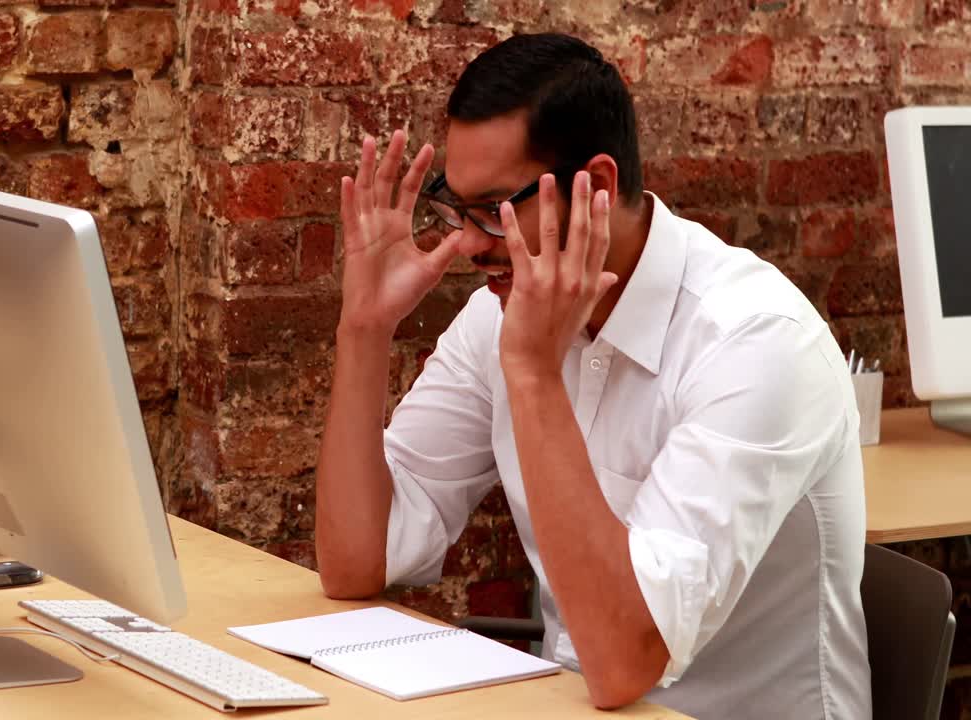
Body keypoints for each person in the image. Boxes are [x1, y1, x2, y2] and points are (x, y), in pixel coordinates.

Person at [313, 32, 870, 719]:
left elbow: (620, 662)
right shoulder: (502, 313)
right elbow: (354, 563)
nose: (470, 245)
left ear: (598, 187)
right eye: (455, 210)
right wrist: (363, 331)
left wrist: (533, 373)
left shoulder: (758, 344)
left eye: (494, 210)